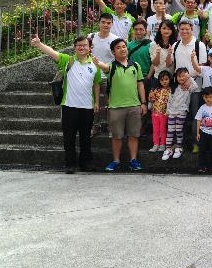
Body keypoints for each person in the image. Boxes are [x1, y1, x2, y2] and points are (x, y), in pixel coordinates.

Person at [31, 35, 101, 173]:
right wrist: (39, 44)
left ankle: (85, 163)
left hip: (87, 107)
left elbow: (96, 84)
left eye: (84, 45)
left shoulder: (95, 64)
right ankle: (70, 164)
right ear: (74, 48)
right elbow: (52, 53)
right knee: (69, 137)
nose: (82, 47)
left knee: (86, 137)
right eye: (78, 45)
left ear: (89, 47)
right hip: (69, 106)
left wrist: (97, 102)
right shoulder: (67, 60)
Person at [98, 38, 147, 172]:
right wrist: (96, 62)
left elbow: (140, 84)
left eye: (124, 46)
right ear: (113, 52)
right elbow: (104, 67)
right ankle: (116, 160)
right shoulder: (111, 66)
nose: (122, 49)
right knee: (116, 136)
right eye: (118, 47)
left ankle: (133, 160)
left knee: (134, 134)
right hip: (116, 107)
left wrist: (143, 103)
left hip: (134, 106)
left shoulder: (135, 65)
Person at [162, 67, 199, 160]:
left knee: (178, 130)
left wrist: (189, 78)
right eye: (179, 76)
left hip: (182, 111)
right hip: (171, 112)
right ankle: (168, 149)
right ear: (176, 77)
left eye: (184, 76)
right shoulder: (174, 87)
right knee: (170, 131)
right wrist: (167, 110)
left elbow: (195, 87)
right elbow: (170, 100)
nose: (182, 78)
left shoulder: (188, 86)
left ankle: (179, 147)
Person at [195, 86, 212, 173]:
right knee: (202, 150)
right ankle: (202, 166)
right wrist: (198, 132)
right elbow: (198, 120)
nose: (208, 99)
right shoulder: (202, 108)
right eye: (206, 97)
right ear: (203, 97)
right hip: (204, 132)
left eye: (210, 97)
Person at [148, 70, 171, 153]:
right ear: (159, 81)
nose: (164, 81)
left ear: (169, 79)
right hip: (154, 113)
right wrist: (151, 97)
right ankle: (155, 144)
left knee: (163, 129)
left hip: (164, 113)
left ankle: (162, 144)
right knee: (155, 129)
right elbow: (151, 99)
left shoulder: (171, 91)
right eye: (162, 80)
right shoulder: (156, 90)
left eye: (166, 79)